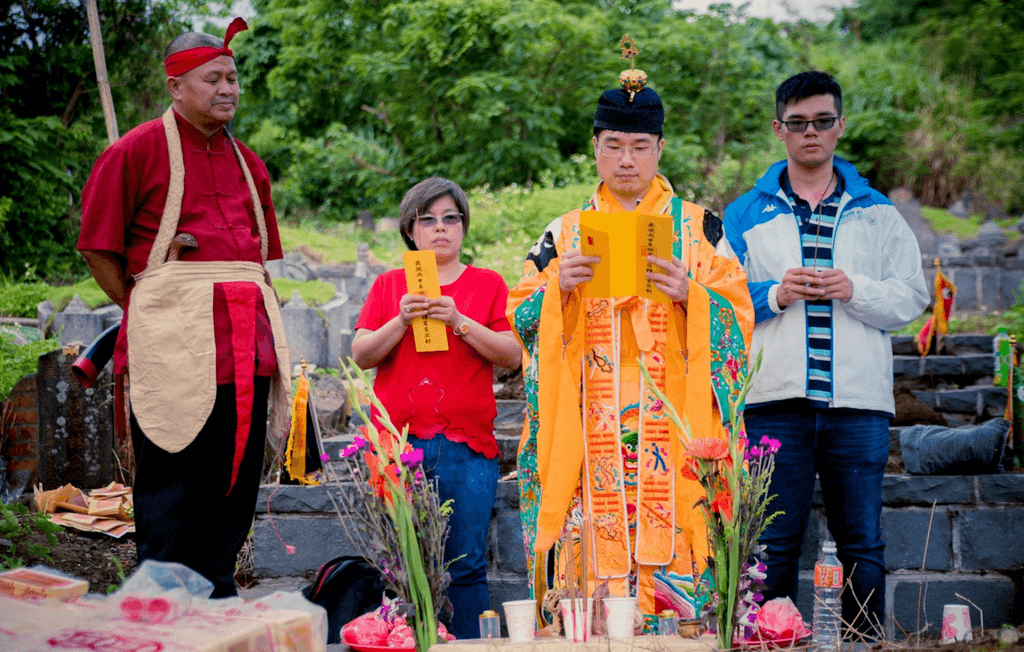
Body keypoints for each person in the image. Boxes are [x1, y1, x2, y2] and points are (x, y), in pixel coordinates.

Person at [507, 39, 754, 629]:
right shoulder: (561, 234)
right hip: (587, 418)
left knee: (685, 538)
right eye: (613, 146)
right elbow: (518, 320)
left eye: (640, 147)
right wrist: (556, 293)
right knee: (587, 553)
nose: (626, 160)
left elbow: (741, 323)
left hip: (675, 425)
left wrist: (691, 295)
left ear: (660, 148)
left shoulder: (700, 228)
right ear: (594, 148)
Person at [77, 19, 290, 598]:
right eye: (213, 78)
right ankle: (162, 603)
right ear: (175, 86)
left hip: (246, 344)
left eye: (233, 77)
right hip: (172, 341)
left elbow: (262, 259)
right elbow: (98, 247)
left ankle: (219, 597)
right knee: (172, 475)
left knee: (236, 475)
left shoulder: (250, 163)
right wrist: (147, 310)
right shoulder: (134, 151)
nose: (229, 89)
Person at [723, 71, 928, 632]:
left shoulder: (877, 211)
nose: (809, 132)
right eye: (797, 123)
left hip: (858, 405)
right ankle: (772, 643)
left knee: (862, 540)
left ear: (840, 126)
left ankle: (863, 645)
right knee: (771, 544)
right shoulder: (745, 212)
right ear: (779, 130)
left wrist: (854, 289)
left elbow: (913, 294)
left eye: (821, 121)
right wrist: (773, 294)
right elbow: (717, 298)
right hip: (773, 404)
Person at [351, 177, 522, 639]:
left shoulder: (486, 284)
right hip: (398, 446)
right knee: (402, 565)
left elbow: (511, 354)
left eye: (451, 219)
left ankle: (467, 646)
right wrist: (401, 321)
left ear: (464, 227)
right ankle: (407, 643)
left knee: (466, 563)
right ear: (411, 231)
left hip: (466, 444)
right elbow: (362, 354)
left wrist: (459, 321)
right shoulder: (390, 286)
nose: (440, 229)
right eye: (428, 220)